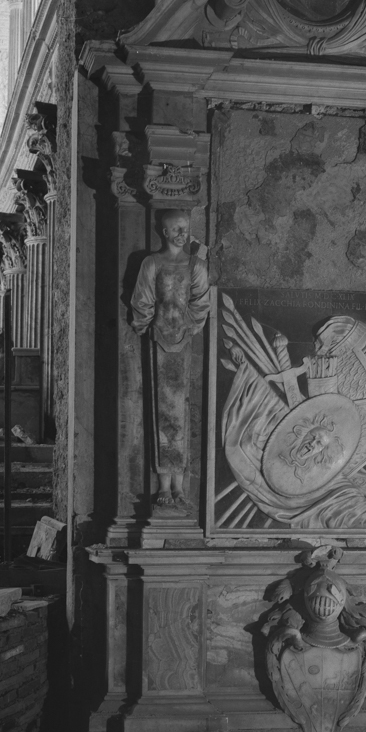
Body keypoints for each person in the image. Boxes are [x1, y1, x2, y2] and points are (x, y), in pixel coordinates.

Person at [130, 210, 209, 513]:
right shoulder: (152, 263)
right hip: (158, 341)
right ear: (164, 231)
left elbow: (201, 301)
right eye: (176, 229)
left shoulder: (196, 265)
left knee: (182, 410)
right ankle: (164, 483)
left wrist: (188, 326)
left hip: (184, 340)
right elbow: (141, 300)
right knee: (162, 411)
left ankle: (180, 482)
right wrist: (150, 325)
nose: (182, 234)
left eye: (185, 229)